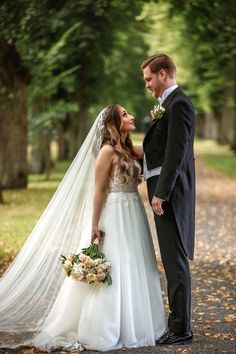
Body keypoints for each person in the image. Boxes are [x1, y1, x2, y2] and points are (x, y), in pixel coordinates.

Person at [0, 104, 166, 351]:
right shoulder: (107, 151)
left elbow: (159, 150)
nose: (131, 117)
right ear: (113, 123)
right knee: (116, 266)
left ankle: (139, 323)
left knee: (135, 264)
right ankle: (105, 327)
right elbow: (98, 190)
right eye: (124, 115)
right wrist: (95, 224)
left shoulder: (130, 150)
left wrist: (160, 121)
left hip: (134, 214)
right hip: (115, 215)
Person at [141, 54, 196, 345]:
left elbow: (176, 154)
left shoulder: (179, 105)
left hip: (171, 195)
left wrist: (161, 193)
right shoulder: (169, 105)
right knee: (171, 259)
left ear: (163, 74)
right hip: (165, 191)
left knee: (174, 261)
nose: (148, 85)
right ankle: (178, 323)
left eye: (149, 79)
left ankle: (181, 328)